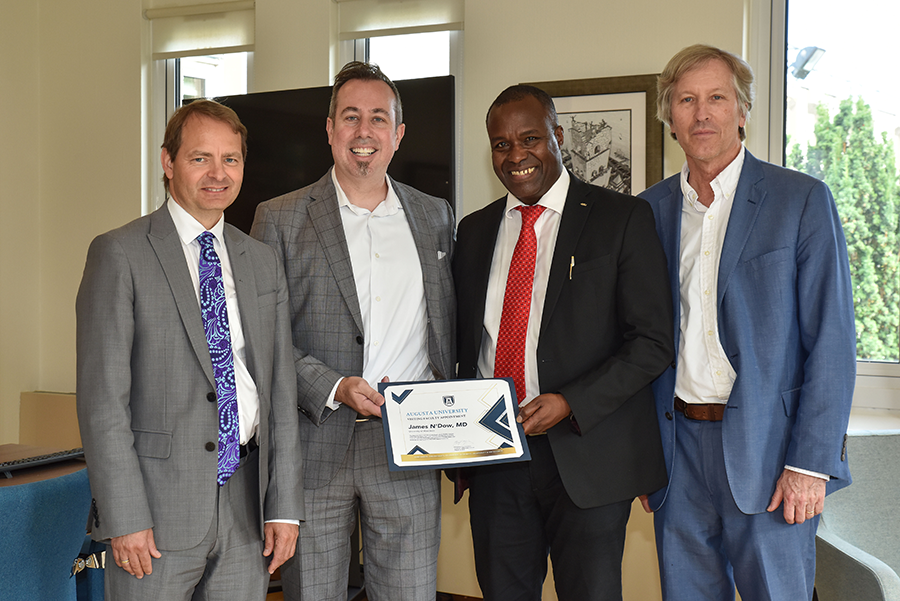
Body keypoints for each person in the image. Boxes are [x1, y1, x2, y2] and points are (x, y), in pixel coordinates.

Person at [638, 44, 856, 601]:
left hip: (770, 452)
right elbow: (636, 342)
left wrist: (810, 463)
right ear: (671, 118)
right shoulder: (647, 212)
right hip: (676, 451)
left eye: (716, 98)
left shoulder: (800, 200)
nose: (701, 113)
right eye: (686, 100)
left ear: (743, 110)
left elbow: (831, 342)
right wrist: (639, 456)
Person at [76, 99, 304, 600]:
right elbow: (102, 402)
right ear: (167, 162)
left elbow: (280, 391)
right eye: (200, 158)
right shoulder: (119, 253)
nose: (218, 174)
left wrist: (283, 505)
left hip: (248, 508)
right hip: (154, 517)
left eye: (231, 159)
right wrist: (125, 516)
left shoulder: (261, 261)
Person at [453, 84, 674, 601]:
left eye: (529, 138)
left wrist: (571, 401)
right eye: (501, 144)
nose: (516, 155)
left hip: (588, 454)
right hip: (493, 458)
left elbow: (652, 342)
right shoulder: (474, 231)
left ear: (557, 137)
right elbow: (465, 345)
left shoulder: (621, 219)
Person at [250, 61, 455, 601]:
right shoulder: (279, 218)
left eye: (378, 118)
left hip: (408, 444)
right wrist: (334, 386)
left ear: (398, 134)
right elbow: (262, 338)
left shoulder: (435, 215)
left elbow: (445, 327)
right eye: (351, 117)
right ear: (329, 128)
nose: (364, 132)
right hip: (314, 444)